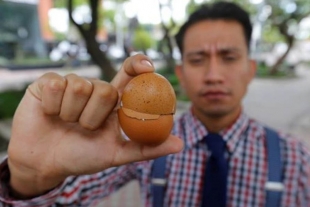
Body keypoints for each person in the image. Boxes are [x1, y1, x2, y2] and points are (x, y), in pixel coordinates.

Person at [0, 1, 309, 206]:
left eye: (229, 58)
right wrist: (31, 178)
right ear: (180, 74)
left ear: (251, 69)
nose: (214, 75)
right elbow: (68, 198)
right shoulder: (142, 147)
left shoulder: (295, 159)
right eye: (198, 59)